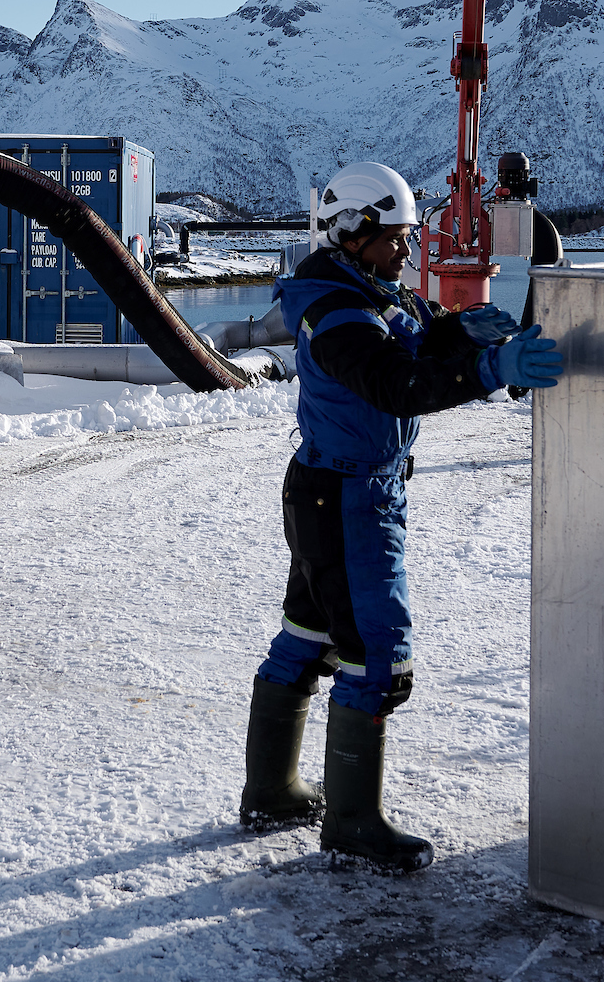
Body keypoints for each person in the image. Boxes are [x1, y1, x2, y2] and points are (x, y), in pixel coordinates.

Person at [238, 161, 563, 873]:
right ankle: (353, 823)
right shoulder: (340, 314)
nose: (406, 255)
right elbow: (395, 382)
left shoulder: (362, 289)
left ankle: (272, 791)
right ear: (350, 233)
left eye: (408, 239)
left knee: (309, 632)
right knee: (378, 659)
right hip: (350, 498)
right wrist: (489, 370)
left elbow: (415, 337)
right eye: (394, 240)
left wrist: (462, 330)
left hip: (330, 487)